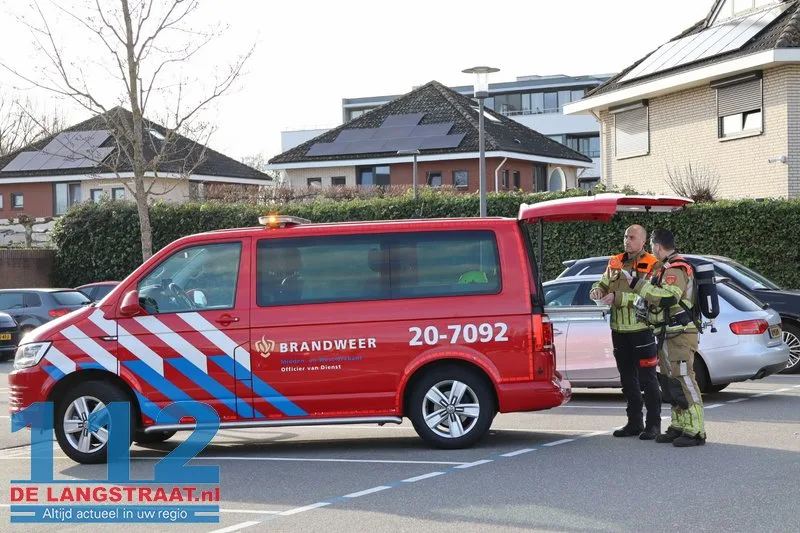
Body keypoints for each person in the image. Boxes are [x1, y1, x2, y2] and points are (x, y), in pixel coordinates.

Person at [624, 228, 706, 447]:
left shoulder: (676, 269)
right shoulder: (665, 268)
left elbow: (669, 297)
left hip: (680, 334)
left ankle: (696, 430)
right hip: (668, 333)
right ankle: (679, 425)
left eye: (652, 246)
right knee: (671, 382)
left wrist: (637, 284)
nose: (652, 250)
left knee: (684, 379)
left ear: (658, 246)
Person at [589, 225, 661, 440]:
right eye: (625, 237)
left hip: (642, 330)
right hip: (618, 330)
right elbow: (602, 283)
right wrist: (597, 290)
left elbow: (652, 296)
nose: (627, 241)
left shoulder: (653, 263)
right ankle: (634, 423)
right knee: (628, 380)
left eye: (632, 237)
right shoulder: (615, 261)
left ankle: (653, 425)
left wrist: (618, 298)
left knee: (648, 380)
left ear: (643, 241)